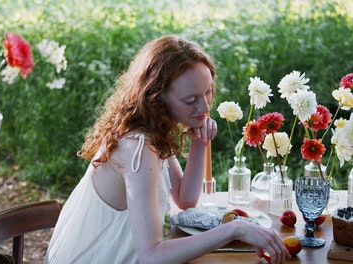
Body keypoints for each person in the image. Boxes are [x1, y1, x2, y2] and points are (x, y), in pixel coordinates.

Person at [43, 35, 290, 264]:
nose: (204, 106)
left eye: (207, 91)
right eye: (190, 99)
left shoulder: (153, 129)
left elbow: (185, 199)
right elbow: (152, 255)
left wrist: (199, 143)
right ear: (157, 97)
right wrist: (235, 228)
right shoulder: (138, 148)